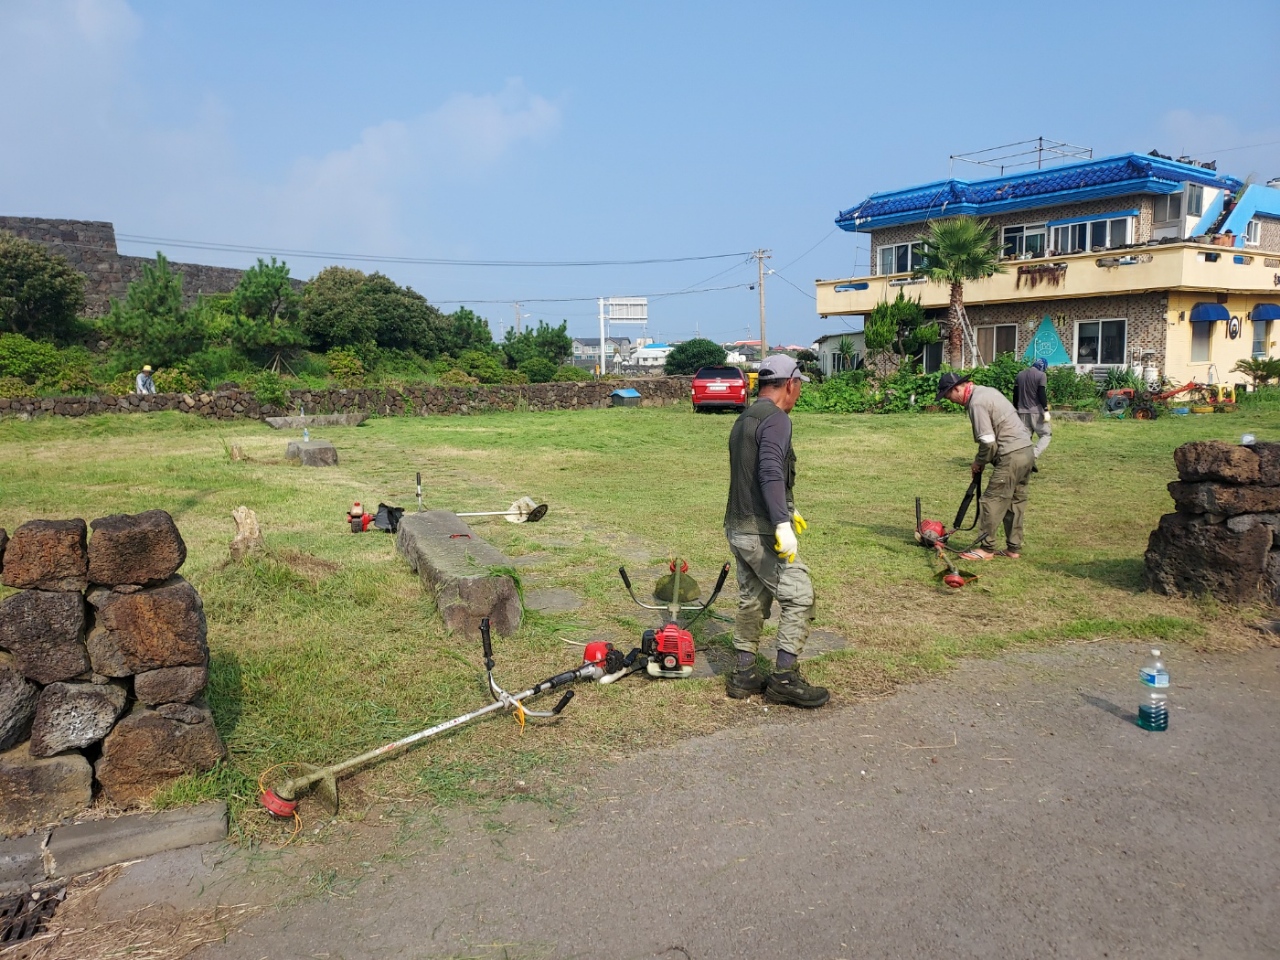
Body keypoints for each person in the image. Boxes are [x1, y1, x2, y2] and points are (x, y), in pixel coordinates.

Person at [723, 355, 827, 708]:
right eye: (798, 388)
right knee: (800, 595)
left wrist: (789, 508)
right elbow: (769, 472)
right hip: (760, 529)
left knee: (753, 598)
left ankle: (744, 672)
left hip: (737, 525)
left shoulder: (745, 418)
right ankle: (784, 678)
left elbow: (752, 474)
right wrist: (782, 523)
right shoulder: (777, 419)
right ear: (791, 385)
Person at [937, 372, 1034, 561]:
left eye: (949, 396)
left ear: (957, 388)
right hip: (1026, 451)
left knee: (992, 500)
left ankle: (986, 548)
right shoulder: (987, 392)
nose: (951, 400)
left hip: (1011, 455)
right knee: (1014, 501)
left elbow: (988, 442)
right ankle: (1013, 548)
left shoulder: (977, 402)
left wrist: (979, 462)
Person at [1014, 358, 1051, 467]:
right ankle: (1033, 455)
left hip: (1021, 411)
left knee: (1025, 438)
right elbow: (1041, 393)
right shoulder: (1041, 375)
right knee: (1046, 434)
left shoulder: (1020, 375)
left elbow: (1015, 394)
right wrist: (1045, 409)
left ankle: (1024, 462)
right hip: (1036, 411)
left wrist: (1015, 408)